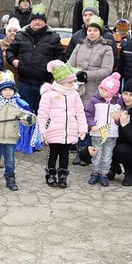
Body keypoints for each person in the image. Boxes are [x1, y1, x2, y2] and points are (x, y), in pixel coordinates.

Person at [0, 70, 38, 192]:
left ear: (14, 91)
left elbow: (27, 120)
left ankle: (10, 179)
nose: (8, 92)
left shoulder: (19, 104)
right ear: (0, 90)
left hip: (11, 138)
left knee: (10, 161)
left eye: (10, 89)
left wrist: (28, 119)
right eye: (5, 90)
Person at [5, 3, 64, 113]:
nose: (37, 22)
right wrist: (14, 61)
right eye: (35, 19)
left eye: (40, 20)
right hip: (24, 83)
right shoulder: (21, 35)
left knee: (41, 114)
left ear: (44, 22)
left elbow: (61, 56)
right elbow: (10, 51)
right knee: (23, 113)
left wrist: (54, 66)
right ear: (30, 21)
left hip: (44, 84)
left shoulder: (53, 37)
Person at [38, 60, 87, 188]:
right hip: (54, 130)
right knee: (53, 154)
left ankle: (63, 175)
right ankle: (51, 174)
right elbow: (42, 114)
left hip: (68, 132)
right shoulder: (49, 95)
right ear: (60, 81)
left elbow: (80, 112)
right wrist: (42, 130)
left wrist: (82, 128)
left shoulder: (74, 95)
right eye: (70, 82)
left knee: (65, 155)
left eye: (73, 81)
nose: (73, 84)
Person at [84, 72, 123, 187]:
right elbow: (88, 113)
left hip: (111, 133)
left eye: (105, 90)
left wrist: (118, 119)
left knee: (107, 154)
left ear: (112, 91)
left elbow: (122, 116)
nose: (101, 91)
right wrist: (91, 124)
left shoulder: (118, 101)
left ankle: (104, 174)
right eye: (101, 88)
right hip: (97, 132)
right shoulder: (95, 100)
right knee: (97, 154)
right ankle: (95, 172)